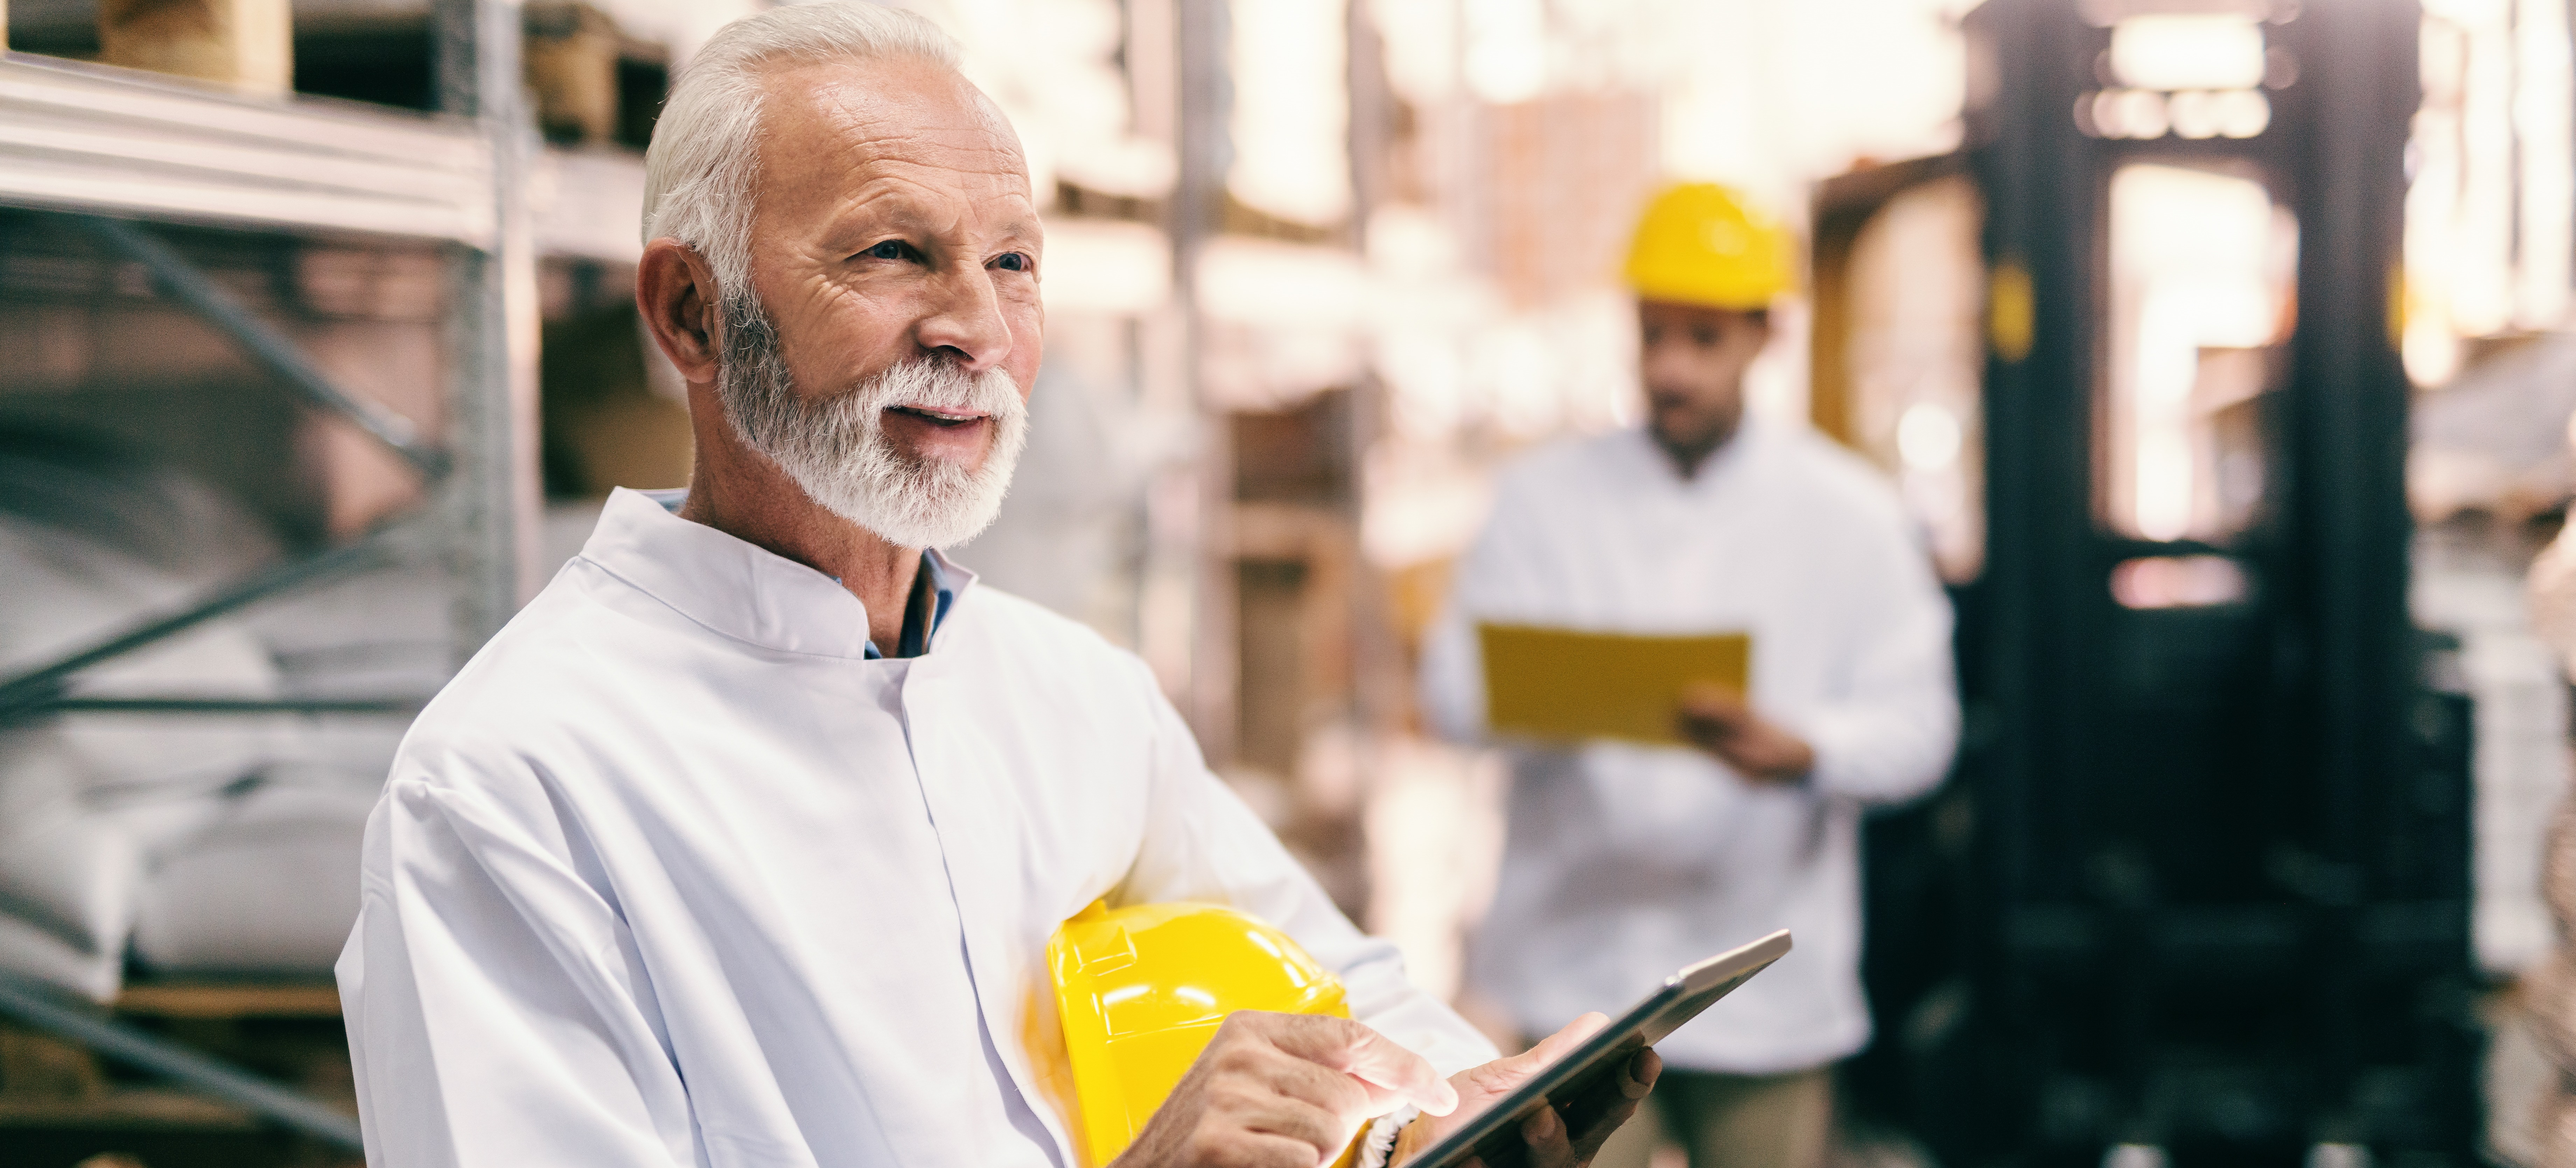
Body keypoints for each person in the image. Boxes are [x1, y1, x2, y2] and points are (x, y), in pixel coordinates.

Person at [334, 6, 1657, 1167]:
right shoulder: (513, 791)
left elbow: (1339, 987)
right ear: (692, 313)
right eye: (892, 254)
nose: (974, 328)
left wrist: (1454, 1113)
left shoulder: (1069, 695)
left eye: (1013, 262)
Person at [1419, 183, 1959, 1168]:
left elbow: (1922, 731)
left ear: (1765, 337)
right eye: (1654, 335)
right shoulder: (1542, 500)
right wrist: (1555, 698)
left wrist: (1808, 752)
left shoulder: (1851, 515)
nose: (1671, 368)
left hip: (1766, 989)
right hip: (1572, 974)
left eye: (1703, 340)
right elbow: (1452, 693)